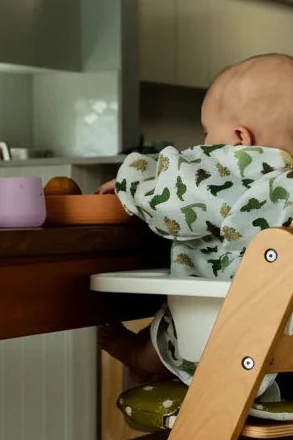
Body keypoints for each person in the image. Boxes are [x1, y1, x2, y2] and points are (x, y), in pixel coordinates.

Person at [99, 53, 293, 386]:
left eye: (206, 133)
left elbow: (168, 203)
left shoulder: (237, 173)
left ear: (240, 139)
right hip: (285, 349)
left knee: (174, 325)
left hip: (240, 345)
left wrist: (129, 185)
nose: (203, 145)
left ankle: (139, 357)